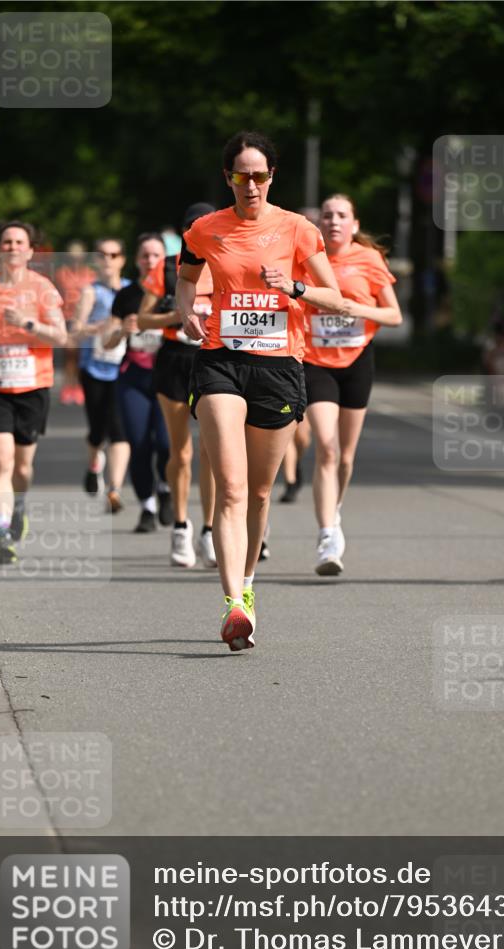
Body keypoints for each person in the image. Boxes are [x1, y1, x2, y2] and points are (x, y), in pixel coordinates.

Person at [177, 130, 342, 650]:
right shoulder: (206, 230)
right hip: (220, 360)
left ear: (272, 177)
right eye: (241, 175)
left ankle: (247, 587)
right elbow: (185, 280)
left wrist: (291, 286)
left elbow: (333, 298)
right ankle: (231, 605)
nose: (251, 184)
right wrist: (185, 316)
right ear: (228, 178)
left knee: (260, 492)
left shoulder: (298, 229)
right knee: (230, 487)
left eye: (260, 175)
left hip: (277, 366)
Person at [303, 193, 402, 574]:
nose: (334, 221)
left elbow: (394, 315)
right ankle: (328, 535)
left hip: (358, 360)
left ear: (354, 225)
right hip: (316, 363)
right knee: (326, 448)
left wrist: (352, 308)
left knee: (345, 456)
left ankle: (335, 510)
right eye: (327, 215)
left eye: (342, 215)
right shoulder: (307, 259)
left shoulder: (369, 260)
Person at [0, 221, 66, 563]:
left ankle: (18, 504)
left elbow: (60, 337)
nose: (12, 247)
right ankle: (2, 531)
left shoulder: (43, 288)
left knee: (22, 467)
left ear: (30, 251)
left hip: (32, 385)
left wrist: (27, 322)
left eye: (18, 242)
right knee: (1, 461)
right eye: (6, 242)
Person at [138, 205, 217, 566]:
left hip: (214, 357)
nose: (197, 234)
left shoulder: (225, 261)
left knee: (213, 454)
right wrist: (180, 314)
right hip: (173, 358)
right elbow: (142, 317)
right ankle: (181, 528)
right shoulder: (168, 265)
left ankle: (210, 531)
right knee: (180, 451)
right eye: (191, 229)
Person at [105, 233, 173, 532]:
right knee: (140, 443)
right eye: (145, 256)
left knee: (168, 444)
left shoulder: (176, 290)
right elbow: (107, 342)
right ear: (136, 260)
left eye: (156, 255)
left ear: (165, 259)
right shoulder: (127, 295)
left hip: (170, 375)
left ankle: (167, 489)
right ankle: (147, 505)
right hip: (134, 377)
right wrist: (122, 331)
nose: (150, 261)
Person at [72, 238, 131, 514]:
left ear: (122, 260)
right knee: (98, 429)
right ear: (96, 260)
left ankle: (114, 489)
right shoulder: (91, 292)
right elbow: (76, 329)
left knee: (119, 429)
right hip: (94, 368)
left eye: (113, 254)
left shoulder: (132, 290)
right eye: (102, 254)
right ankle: (94, 463)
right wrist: (101, 327)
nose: (108, 259)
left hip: (125, 368)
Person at [55, 240, 95, 405]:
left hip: (83, 318)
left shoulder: (90, 274)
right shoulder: (61, 273)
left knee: (80, 354)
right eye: (72, 257)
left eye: (78, 257)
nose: (75, 260)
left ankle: (78, 387)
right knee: (69, 355)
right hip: (67, 317)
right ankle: (67, 387)